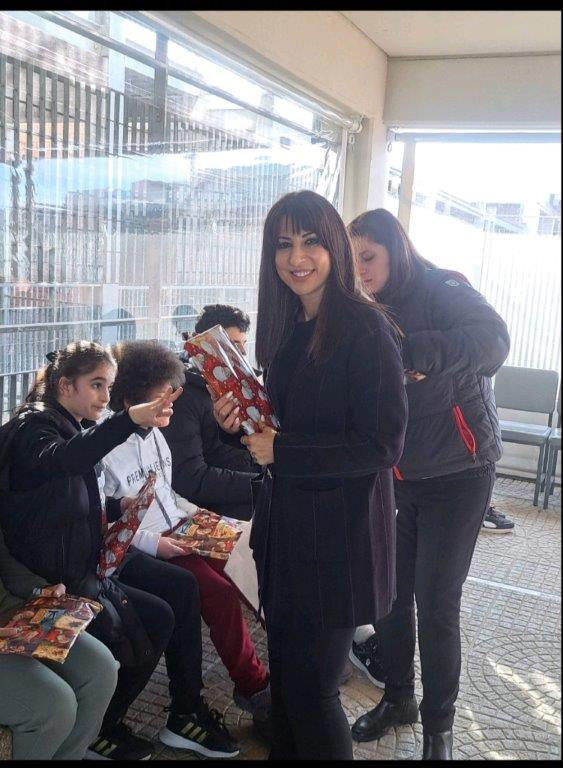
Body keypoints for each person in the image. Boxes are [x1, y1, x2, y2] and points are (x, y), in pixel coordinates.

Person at [211, 190, 408, 760]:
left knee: (315, 695)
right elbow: (283, 429)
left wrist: (284, 449)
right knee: (290, 693)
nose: (296, 257)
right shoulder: (290, 328)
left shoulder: (367, 329)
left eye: (310, 241)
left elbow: (383, 444)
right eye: (283, 244)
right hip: (289, 534)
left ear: (334, 248)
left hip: (338, 541)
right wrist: (239, 426)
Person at [0, 340, 236, 760]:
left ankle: (137, 722)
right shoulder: (34, 428)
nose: (105, 397)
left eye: (108, 386)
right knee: (136, 634)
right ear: (64, 385)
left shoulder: (72, 425)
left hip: (74, 573)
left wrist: (114, 507)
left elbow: (62, 497)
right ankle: (117, 727)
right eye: (96, 385)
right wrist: (128, 421)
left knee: (155, 619)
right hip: (58, 580)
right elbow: (62, 462)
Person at [347, 209, 510, 760]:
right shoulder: (365, 307)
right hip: (396, 475)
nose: (361, 270)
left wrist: (423, 351)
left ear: (396, 248)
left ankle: (439, 725)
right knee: (389, 597)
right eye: (353, 261)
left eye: (368, 257)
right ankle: (398, 700)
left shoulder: (443, 287)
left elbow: (493, 340)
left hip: (460, 472)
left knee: (436, 601)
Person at [103, 340, 271, 735]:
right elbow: (109, 520)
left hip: (180, 527)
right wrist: (156, 542)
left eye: (172, 396)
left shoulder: (157, 434)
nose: (170, 407)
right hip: (152, 546)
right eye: (162, 399)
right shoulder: (106, 449)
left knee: (252, 553)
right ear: (129, 400)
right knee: (219, 592)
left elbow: (167, 493)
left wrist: (200, 515)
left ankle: (286, 661)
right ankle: (254, 686)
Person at [0, 528, 118, 761]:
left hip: (8, 610)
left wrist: (41, 589)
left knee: (100, 670)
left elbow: (3, 562)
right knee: (52, 706)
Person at [161, 303, 261, 522]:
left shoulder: (245, 387)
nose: (243, 353)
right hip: (221, 515)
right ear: (203, 346)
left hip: (254, 496)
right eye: (233, 345)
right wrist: (263, 487)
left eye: (243, 345)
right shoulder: (182, 397)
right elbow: (190, 478)